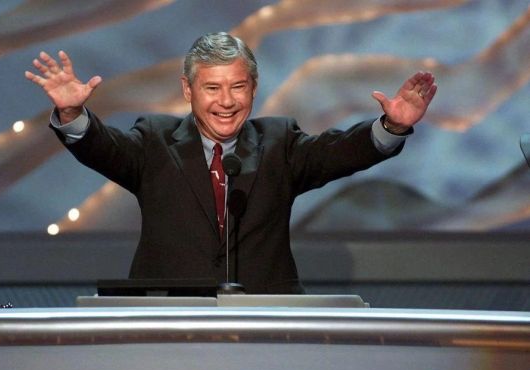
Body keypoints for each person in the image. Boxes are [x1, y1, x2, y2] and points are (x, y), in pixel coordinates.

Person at [25, 32, 436, 294]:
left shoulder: (279, 142)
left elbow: (339, 151)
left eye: (238, 86)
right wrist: (72, 114)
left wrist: (391, 127)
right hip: (166, 323)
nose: (226, 101)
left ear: (253, 88)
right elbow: (104, 148)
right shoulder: (154, 141)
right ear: (188, 89)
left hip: (265, 324)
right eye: (212, 88)